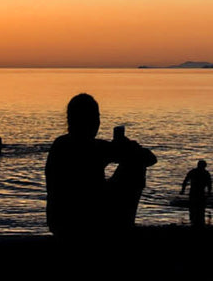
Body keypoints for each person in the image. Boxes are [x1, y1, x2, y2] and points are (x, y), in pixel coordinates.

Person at [44, 93, 154, 237]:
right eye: (94, 117)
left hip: (59, 222)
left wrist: (125, 148)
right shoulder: (93, 147)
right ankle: (124, 226)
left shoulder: (60, 145)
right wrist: (129, 148)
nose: (97, 122)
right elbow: (148, 159)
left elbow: (150, 158)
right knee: (134, 165)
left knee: (132, 163)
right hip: (85, 220)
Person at [107, 125, 157, 229]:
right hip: (134, 183)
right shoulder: (132, 148)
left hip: (129, 183)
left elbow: (152, 159)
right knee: (128, 210)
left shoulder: (130, 148)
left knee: (125, 210)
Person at [180, 159, 213, 228]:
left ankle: (193, 221)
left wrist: (183, 190)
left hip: (194, 192)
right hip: (199, 193)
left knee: (193, 208)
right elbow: (209, 184)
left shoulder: (193, 172)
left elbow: (185, 181)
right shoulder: (205, 173)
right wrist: (209, 192)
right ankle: (195, 221)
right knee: (200, 209)